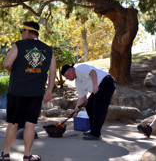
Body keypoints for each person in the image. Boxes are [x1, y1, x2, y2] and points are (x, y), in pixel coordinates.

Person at [2, 21, 56, 161]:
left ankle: (6, 154)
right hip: (36, 93)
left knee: (13, 123)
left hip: (17, 91)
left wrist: (15, 71)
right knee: (30, 124)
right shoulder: (48, 49)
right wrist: (49, 90)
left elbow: (7, 63)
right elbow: (52, 72)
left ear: (26, 31)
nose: (21, 33)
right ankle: (27, 156)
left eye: (22, 31)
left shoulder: (19, 45)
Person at [61, 63, 115, 140]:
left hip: (106, 83)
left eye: (66, 76)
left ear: (69, 71)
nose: (67, 79)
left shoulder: (79, 68)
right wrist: (76, 111)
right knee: (89, 106)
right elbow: (82, 98)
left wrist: (95, 86)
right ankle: (93, 130)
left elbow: (93, 72)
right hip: (97, 90)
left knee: (98, 107)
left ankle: (95, 133)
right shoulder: (77, 83)